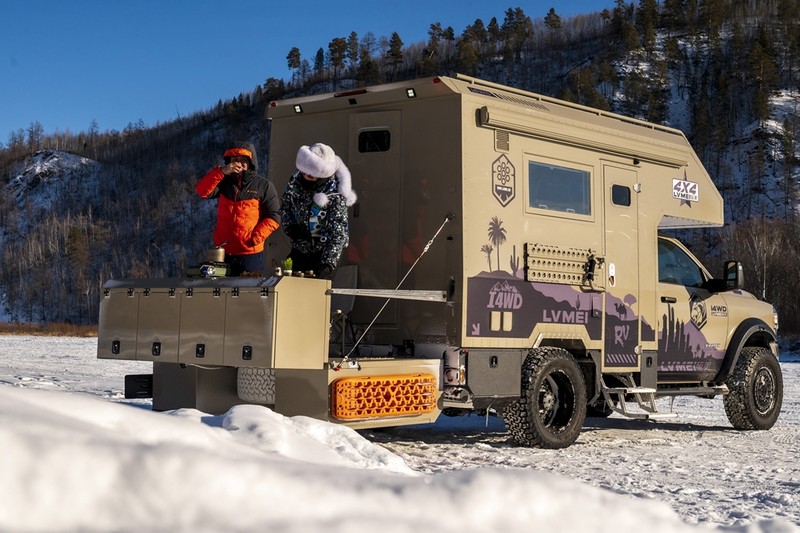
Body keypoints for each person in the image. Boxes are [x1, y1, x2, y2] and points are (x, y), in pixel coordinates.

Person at [195, 141, 281, 276]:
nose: (239, 163)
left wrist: (255, 238)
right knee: (222, 292)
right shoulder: (223, 183)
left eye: (243, 160)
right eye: (235, 160)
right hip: (223, 252)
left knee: (248, 292)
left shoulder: (263, 185)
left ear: (251, 162)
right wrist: (221, 171)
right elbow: (202, 191)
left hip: (249, 253)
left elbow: (275, 216)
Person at [279, 143, 357, 279]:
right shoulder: (296, 181)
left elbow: (338, 234)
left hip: (322, 253)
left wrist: (328, 263)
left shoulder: (335, 195)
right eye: (303, 172)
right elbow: (286, 206)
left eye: (310, 175)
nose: (305, 176)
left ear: (321, 174)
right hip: (300, 249)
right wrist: (290, 226)